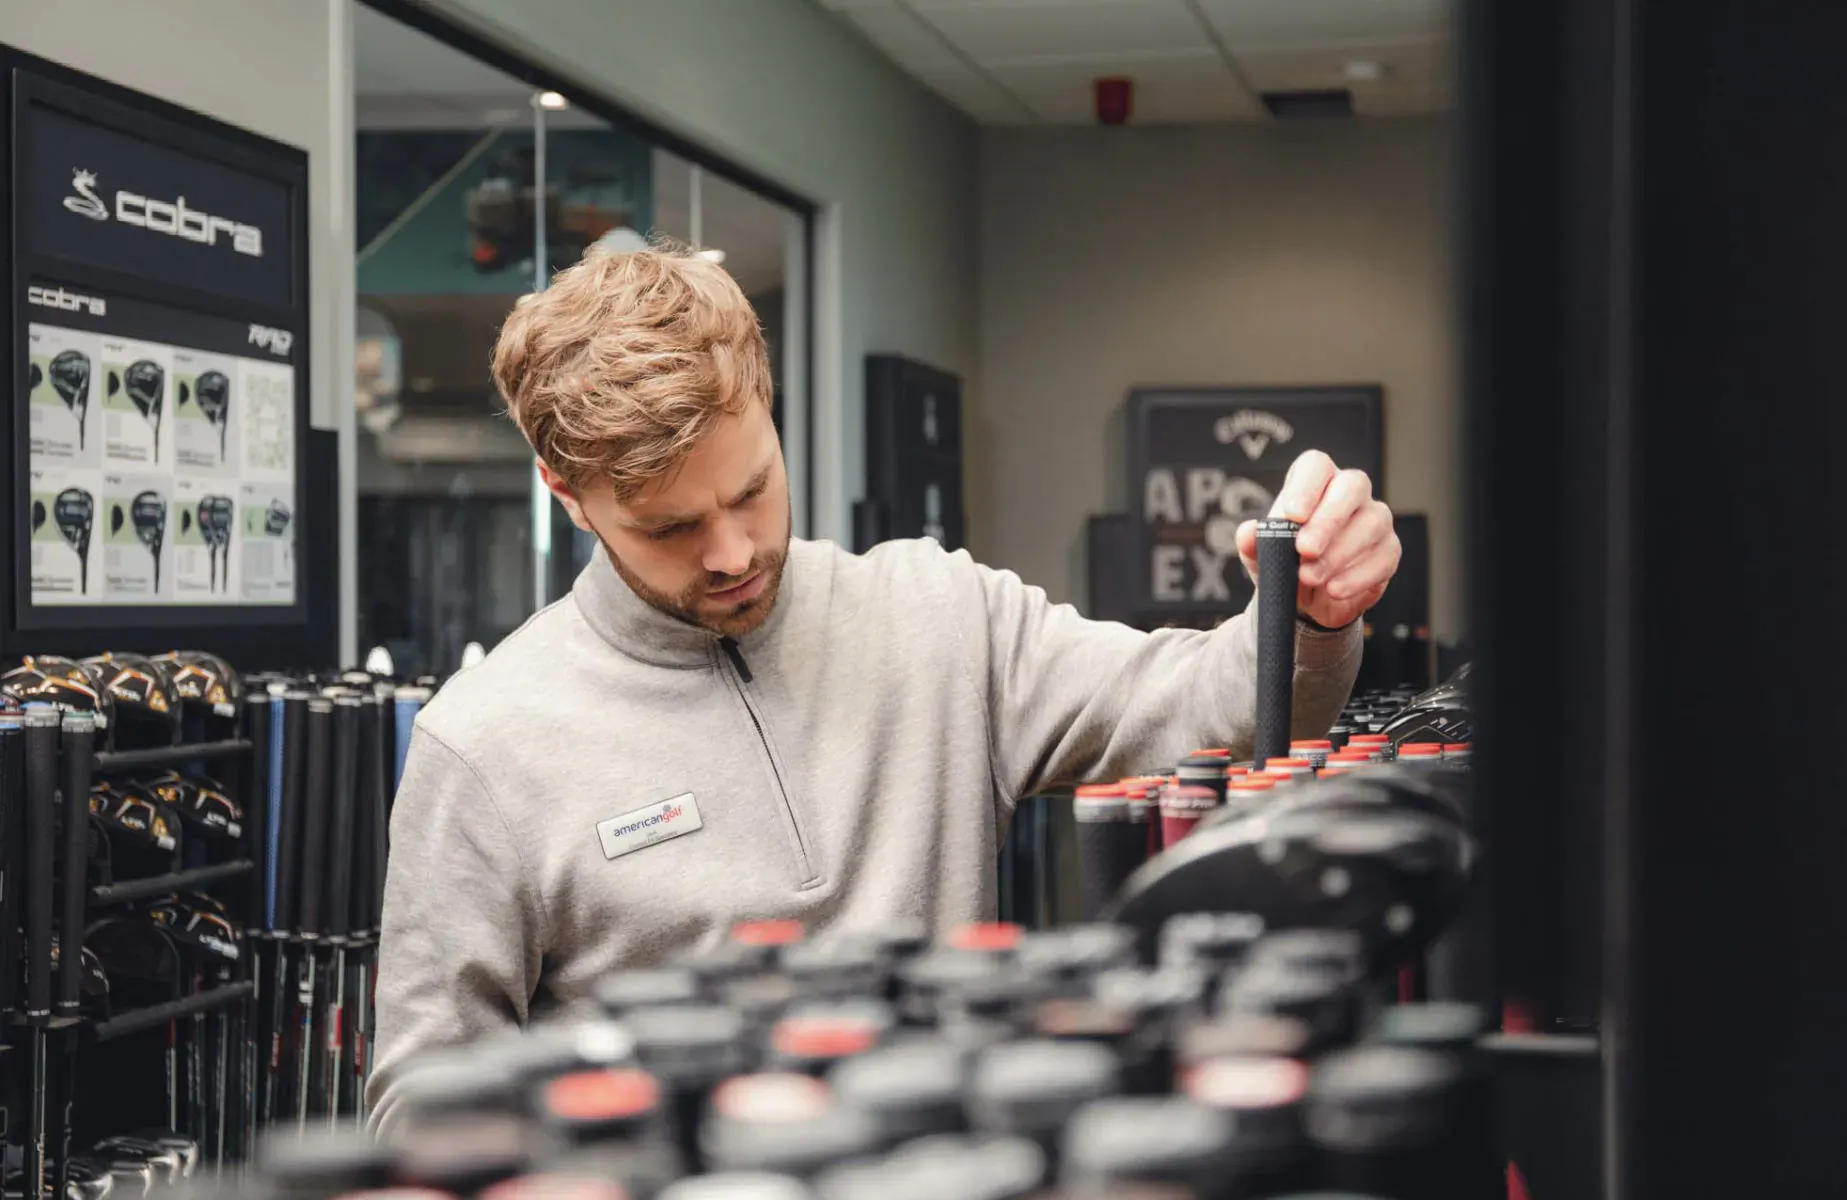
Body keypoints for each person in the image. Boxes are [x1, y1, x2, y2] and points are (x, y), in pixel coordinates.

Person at [368, 245, 1401, 1126]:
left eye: (752, 490)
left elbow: (1209, 707)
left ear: (767, 413)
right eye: (671, 526)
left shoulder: (939, 615)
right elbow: (422, 1101)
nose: (731, 552)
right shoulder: (487, 742)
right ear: (569, 494)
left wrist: (1307, 616)